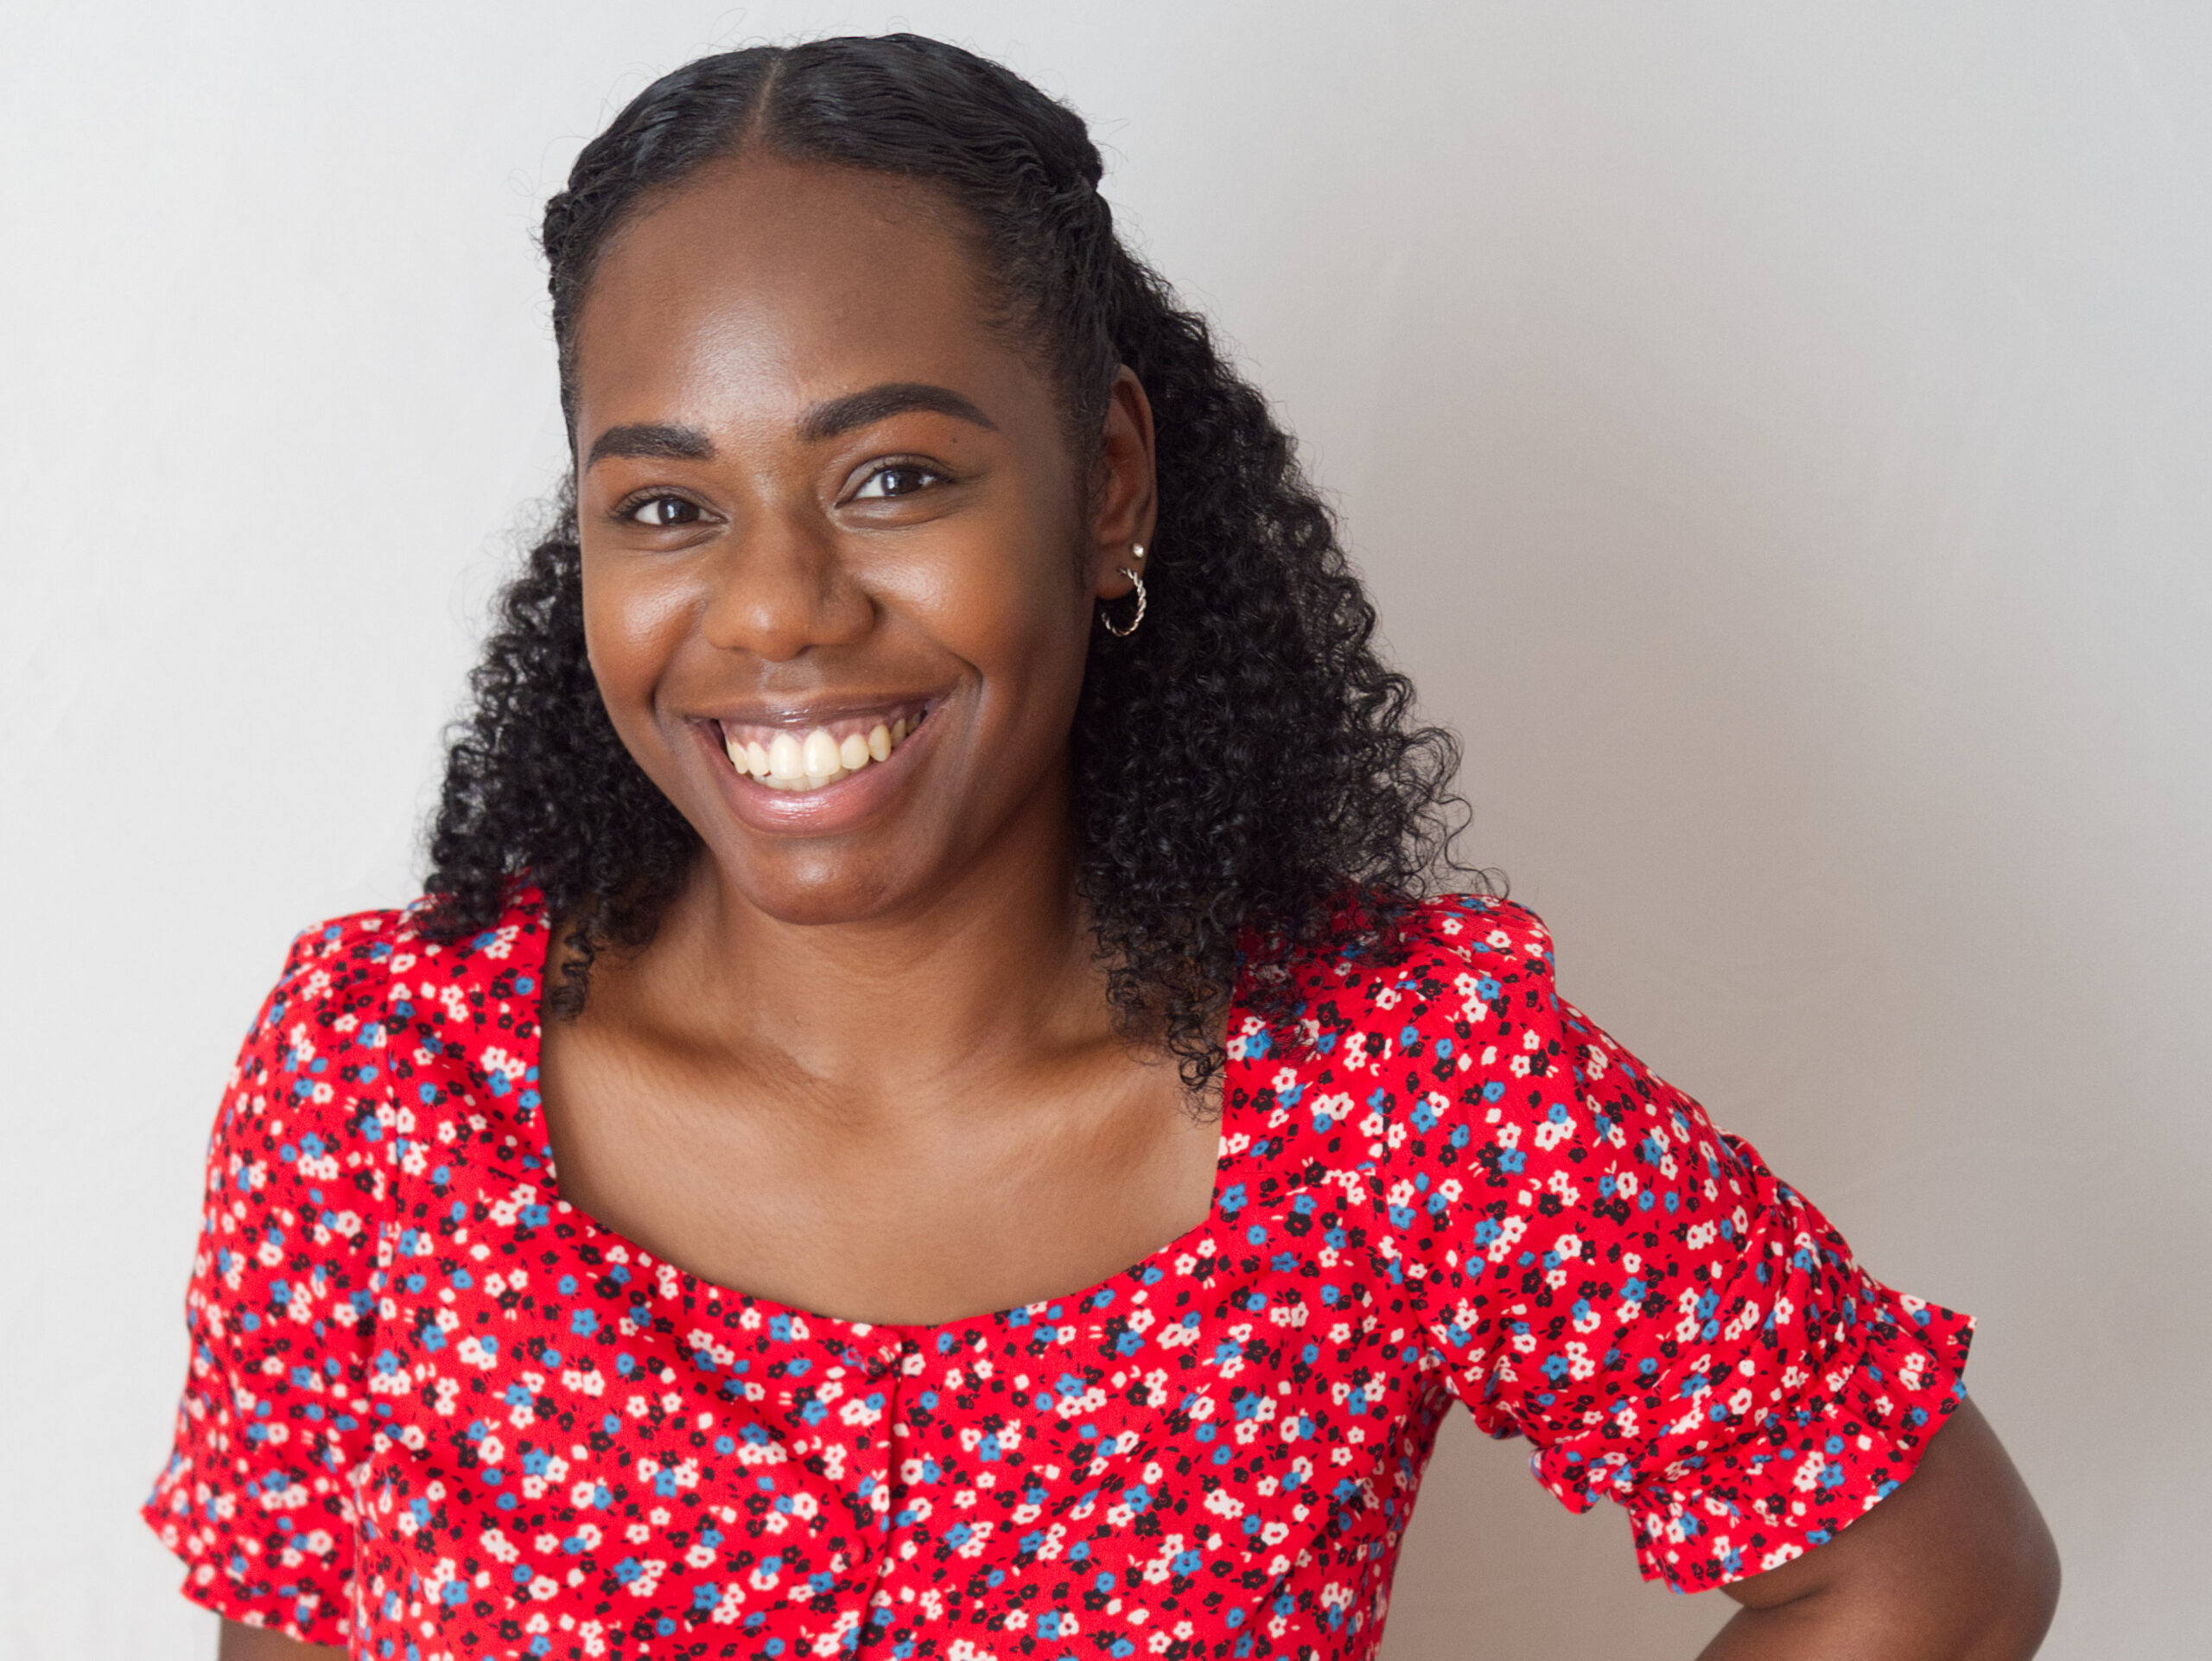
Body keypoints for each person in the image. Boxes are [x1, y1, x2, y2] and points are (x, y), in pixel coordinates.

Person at [142, 34, 2058, 1661]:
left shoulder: (1386, 1091)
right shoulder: (379, 1087)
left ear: (1108, 478)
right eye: (664, 503)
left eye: (890, 477)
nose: (777, 608)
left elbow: (1931, 1560)